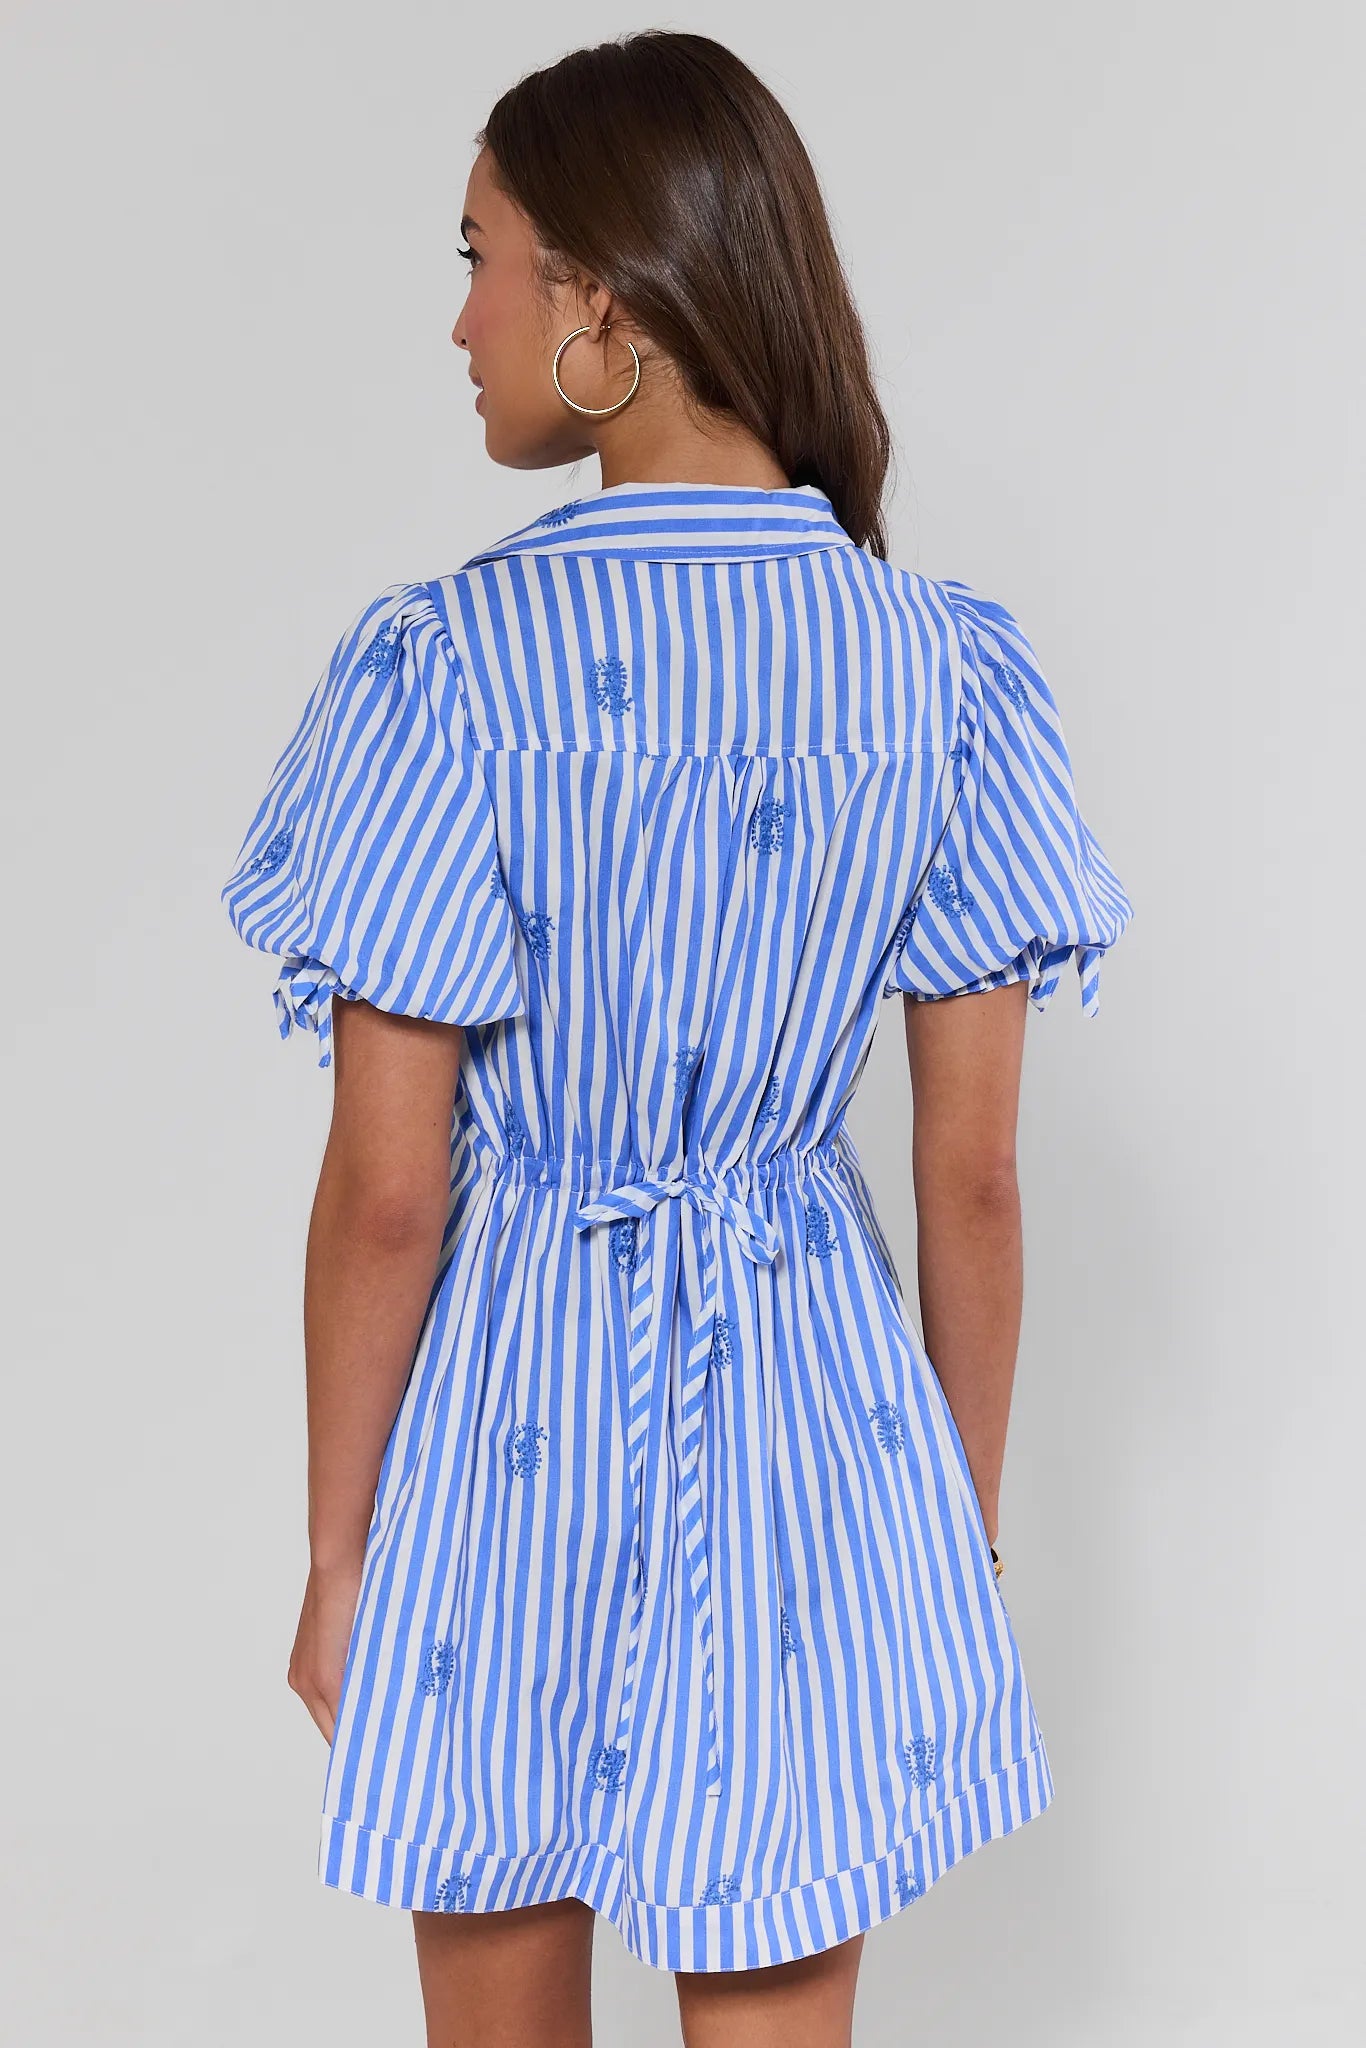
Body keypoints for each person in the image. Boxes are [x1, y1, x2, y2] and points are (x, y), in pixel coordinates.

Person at [221, 29, 1133, 2048]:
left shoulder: (446, 670)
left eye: (479, 258)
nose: (455, 321)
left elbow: (389, 1193)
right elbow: (967, 1169)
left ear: (603, 308)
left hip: (501, 1414)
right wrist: (947, 1532)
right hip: (815, 1409)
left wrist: (338, 1545)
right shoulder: (938, 674)